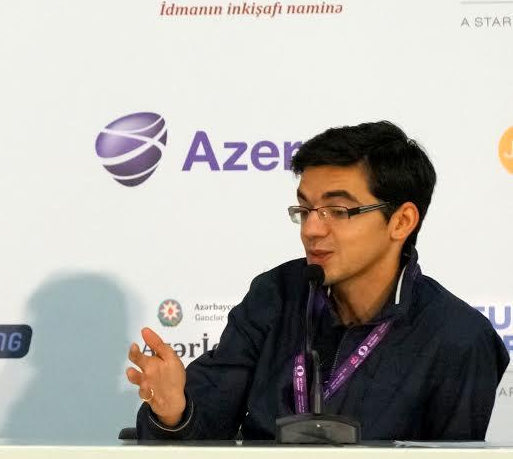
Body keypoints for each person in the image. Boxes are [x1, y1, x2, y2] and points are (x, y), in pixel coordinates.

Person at [127, 121, 509, 441]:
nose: (311, 229)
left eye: (337, 211)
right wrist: (175, 412)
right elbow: (207, 428)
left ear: (402, 221)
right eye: (305, 208)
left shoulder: (459, 339)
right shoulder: (275, 295)